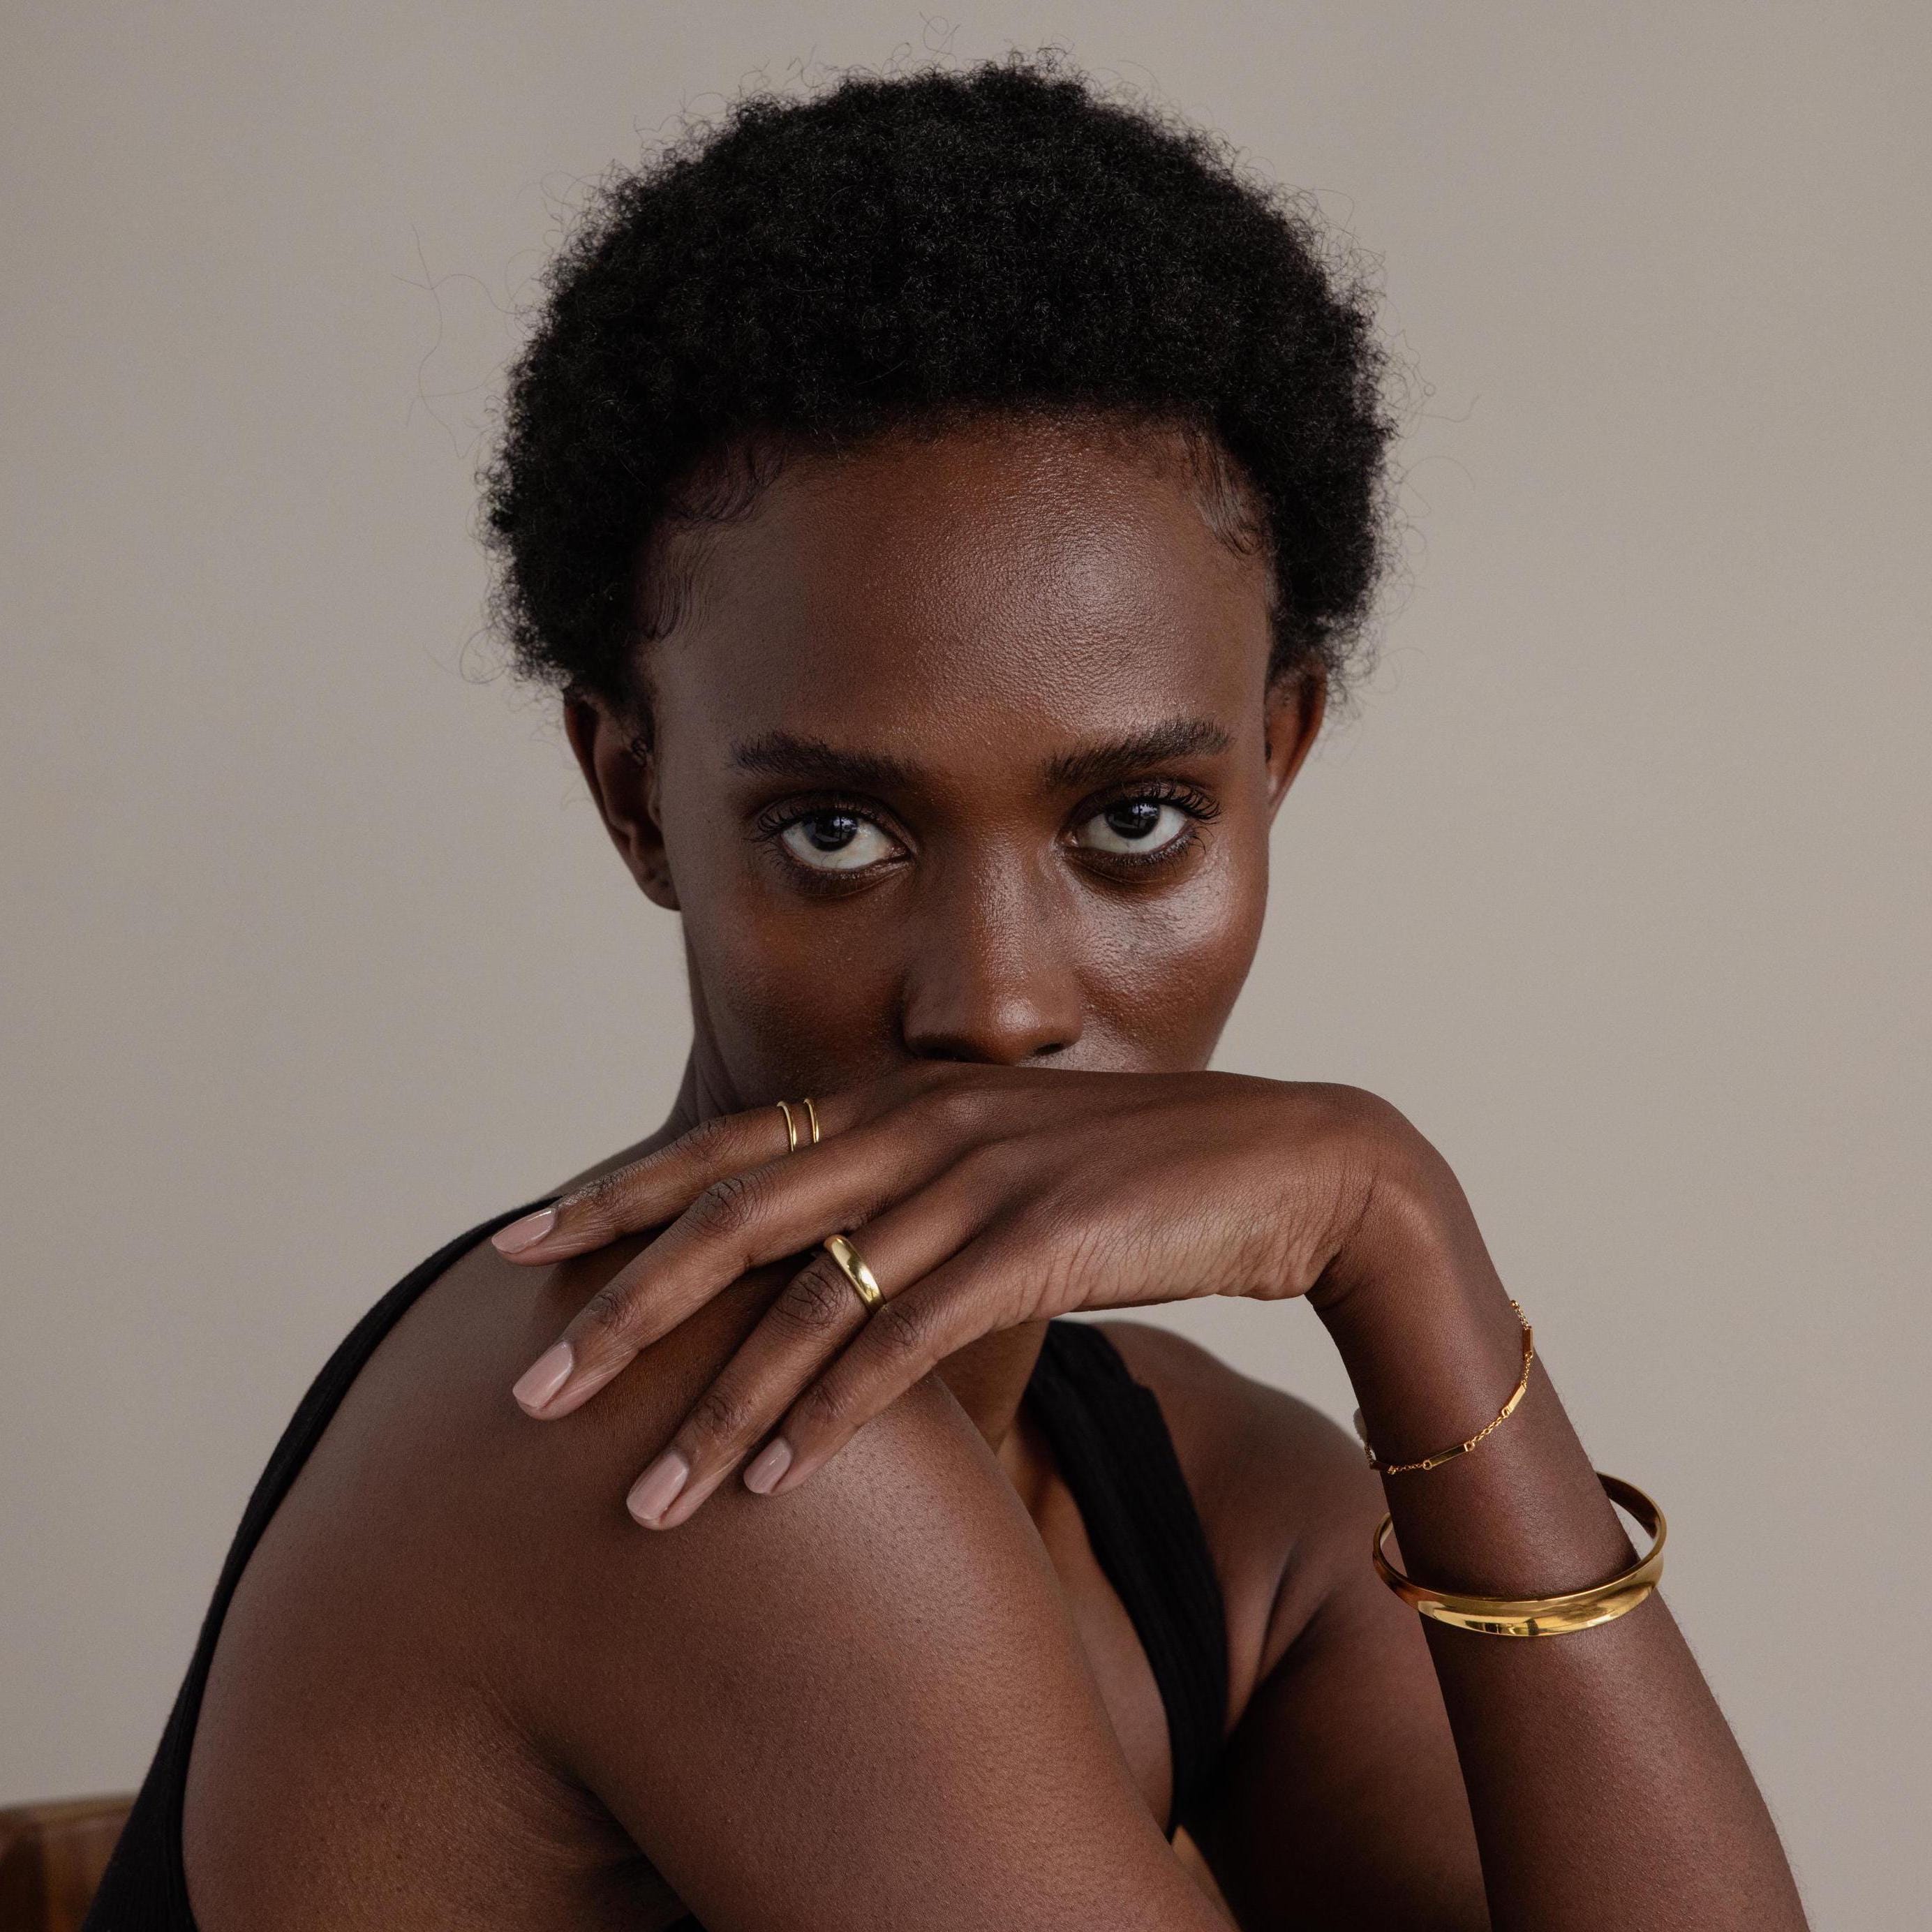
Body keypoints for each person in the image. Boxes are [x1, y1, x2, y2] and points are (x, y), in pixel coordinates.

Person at [86, 52, 1808, 1932]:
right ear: (634, 795)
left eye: (1136, 819)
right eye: (838, 832)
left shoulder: (1193, 1494)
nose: (994, 1003)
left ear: (1279, 758)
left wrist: (1404, 1238)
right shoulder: (693, 1449)